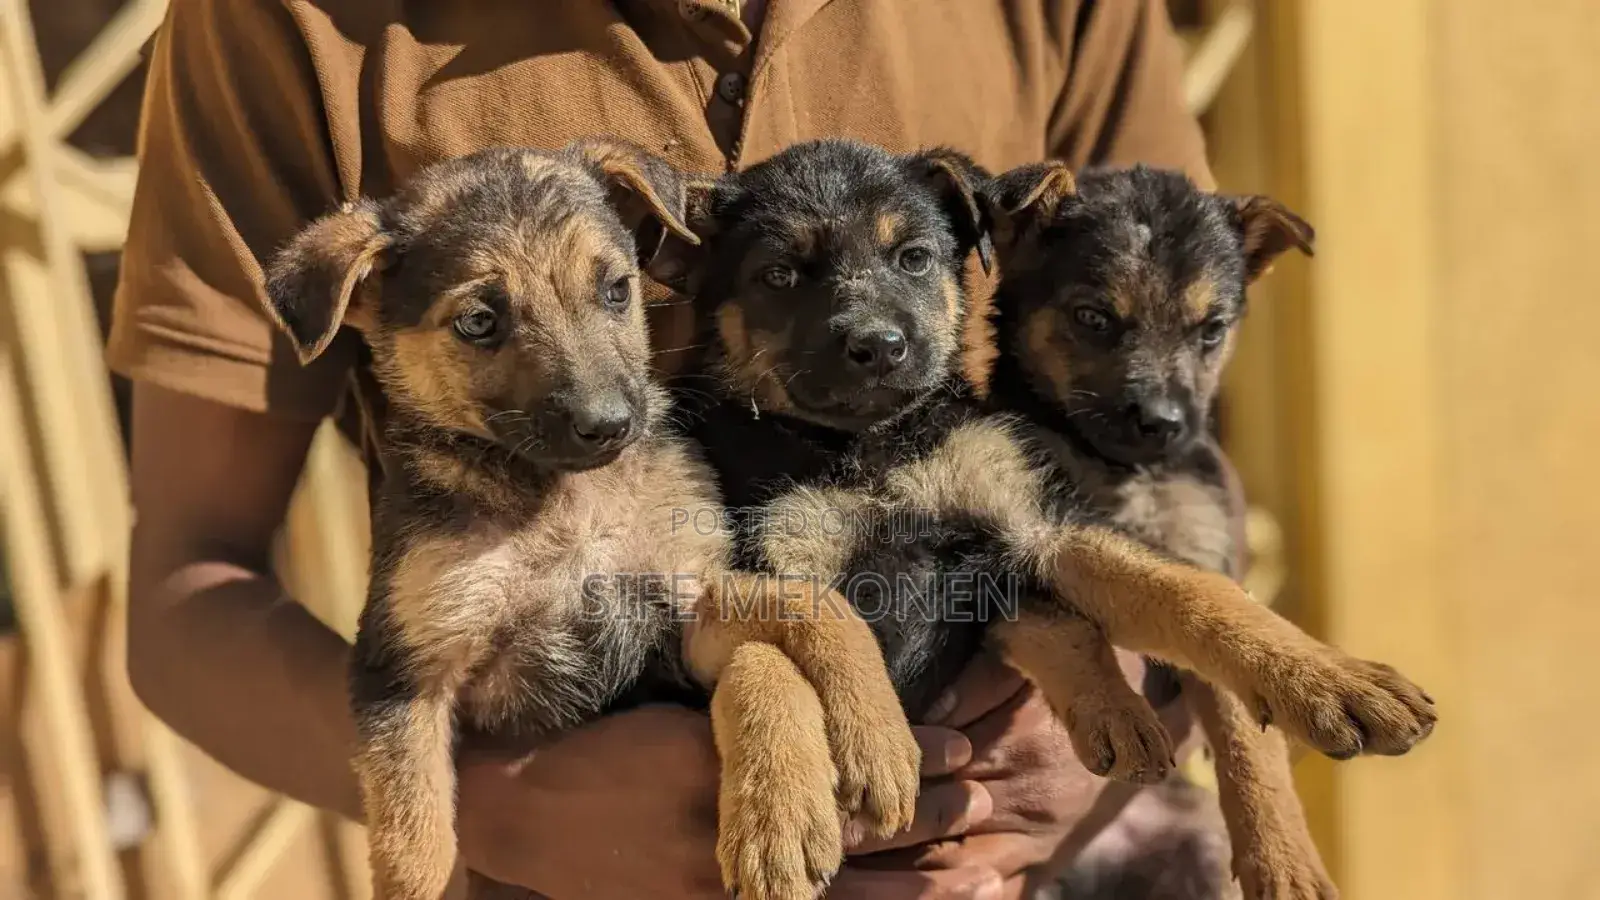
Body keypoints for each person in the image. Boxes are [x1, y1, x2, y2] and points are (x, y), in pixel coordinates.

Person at [111, 1, 1221, 897]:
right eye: (487, 324)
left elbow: (1165, 441)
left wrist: (1104, 723)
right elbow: (186, 584)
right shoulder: (282, 23)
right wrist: (506, 804)